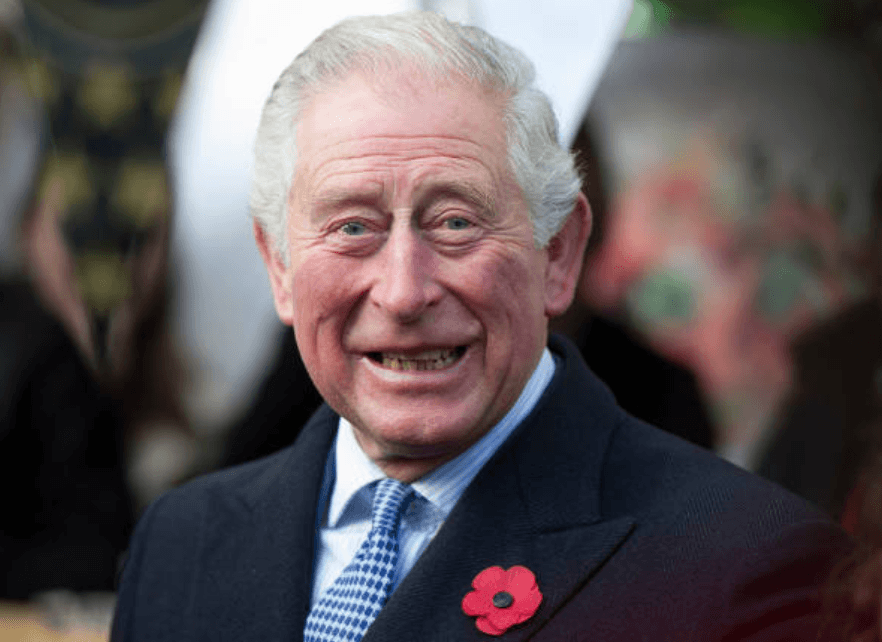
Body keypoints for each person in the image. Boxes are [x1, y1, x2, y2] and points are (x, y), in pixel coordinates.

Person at [111, 12, 849, 641]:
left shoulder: (750, 570)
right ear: (279, 267)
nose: (403, 292)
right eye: (353, 227)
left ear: (558, 254)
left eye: (457, 222)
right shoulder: (182, 543)